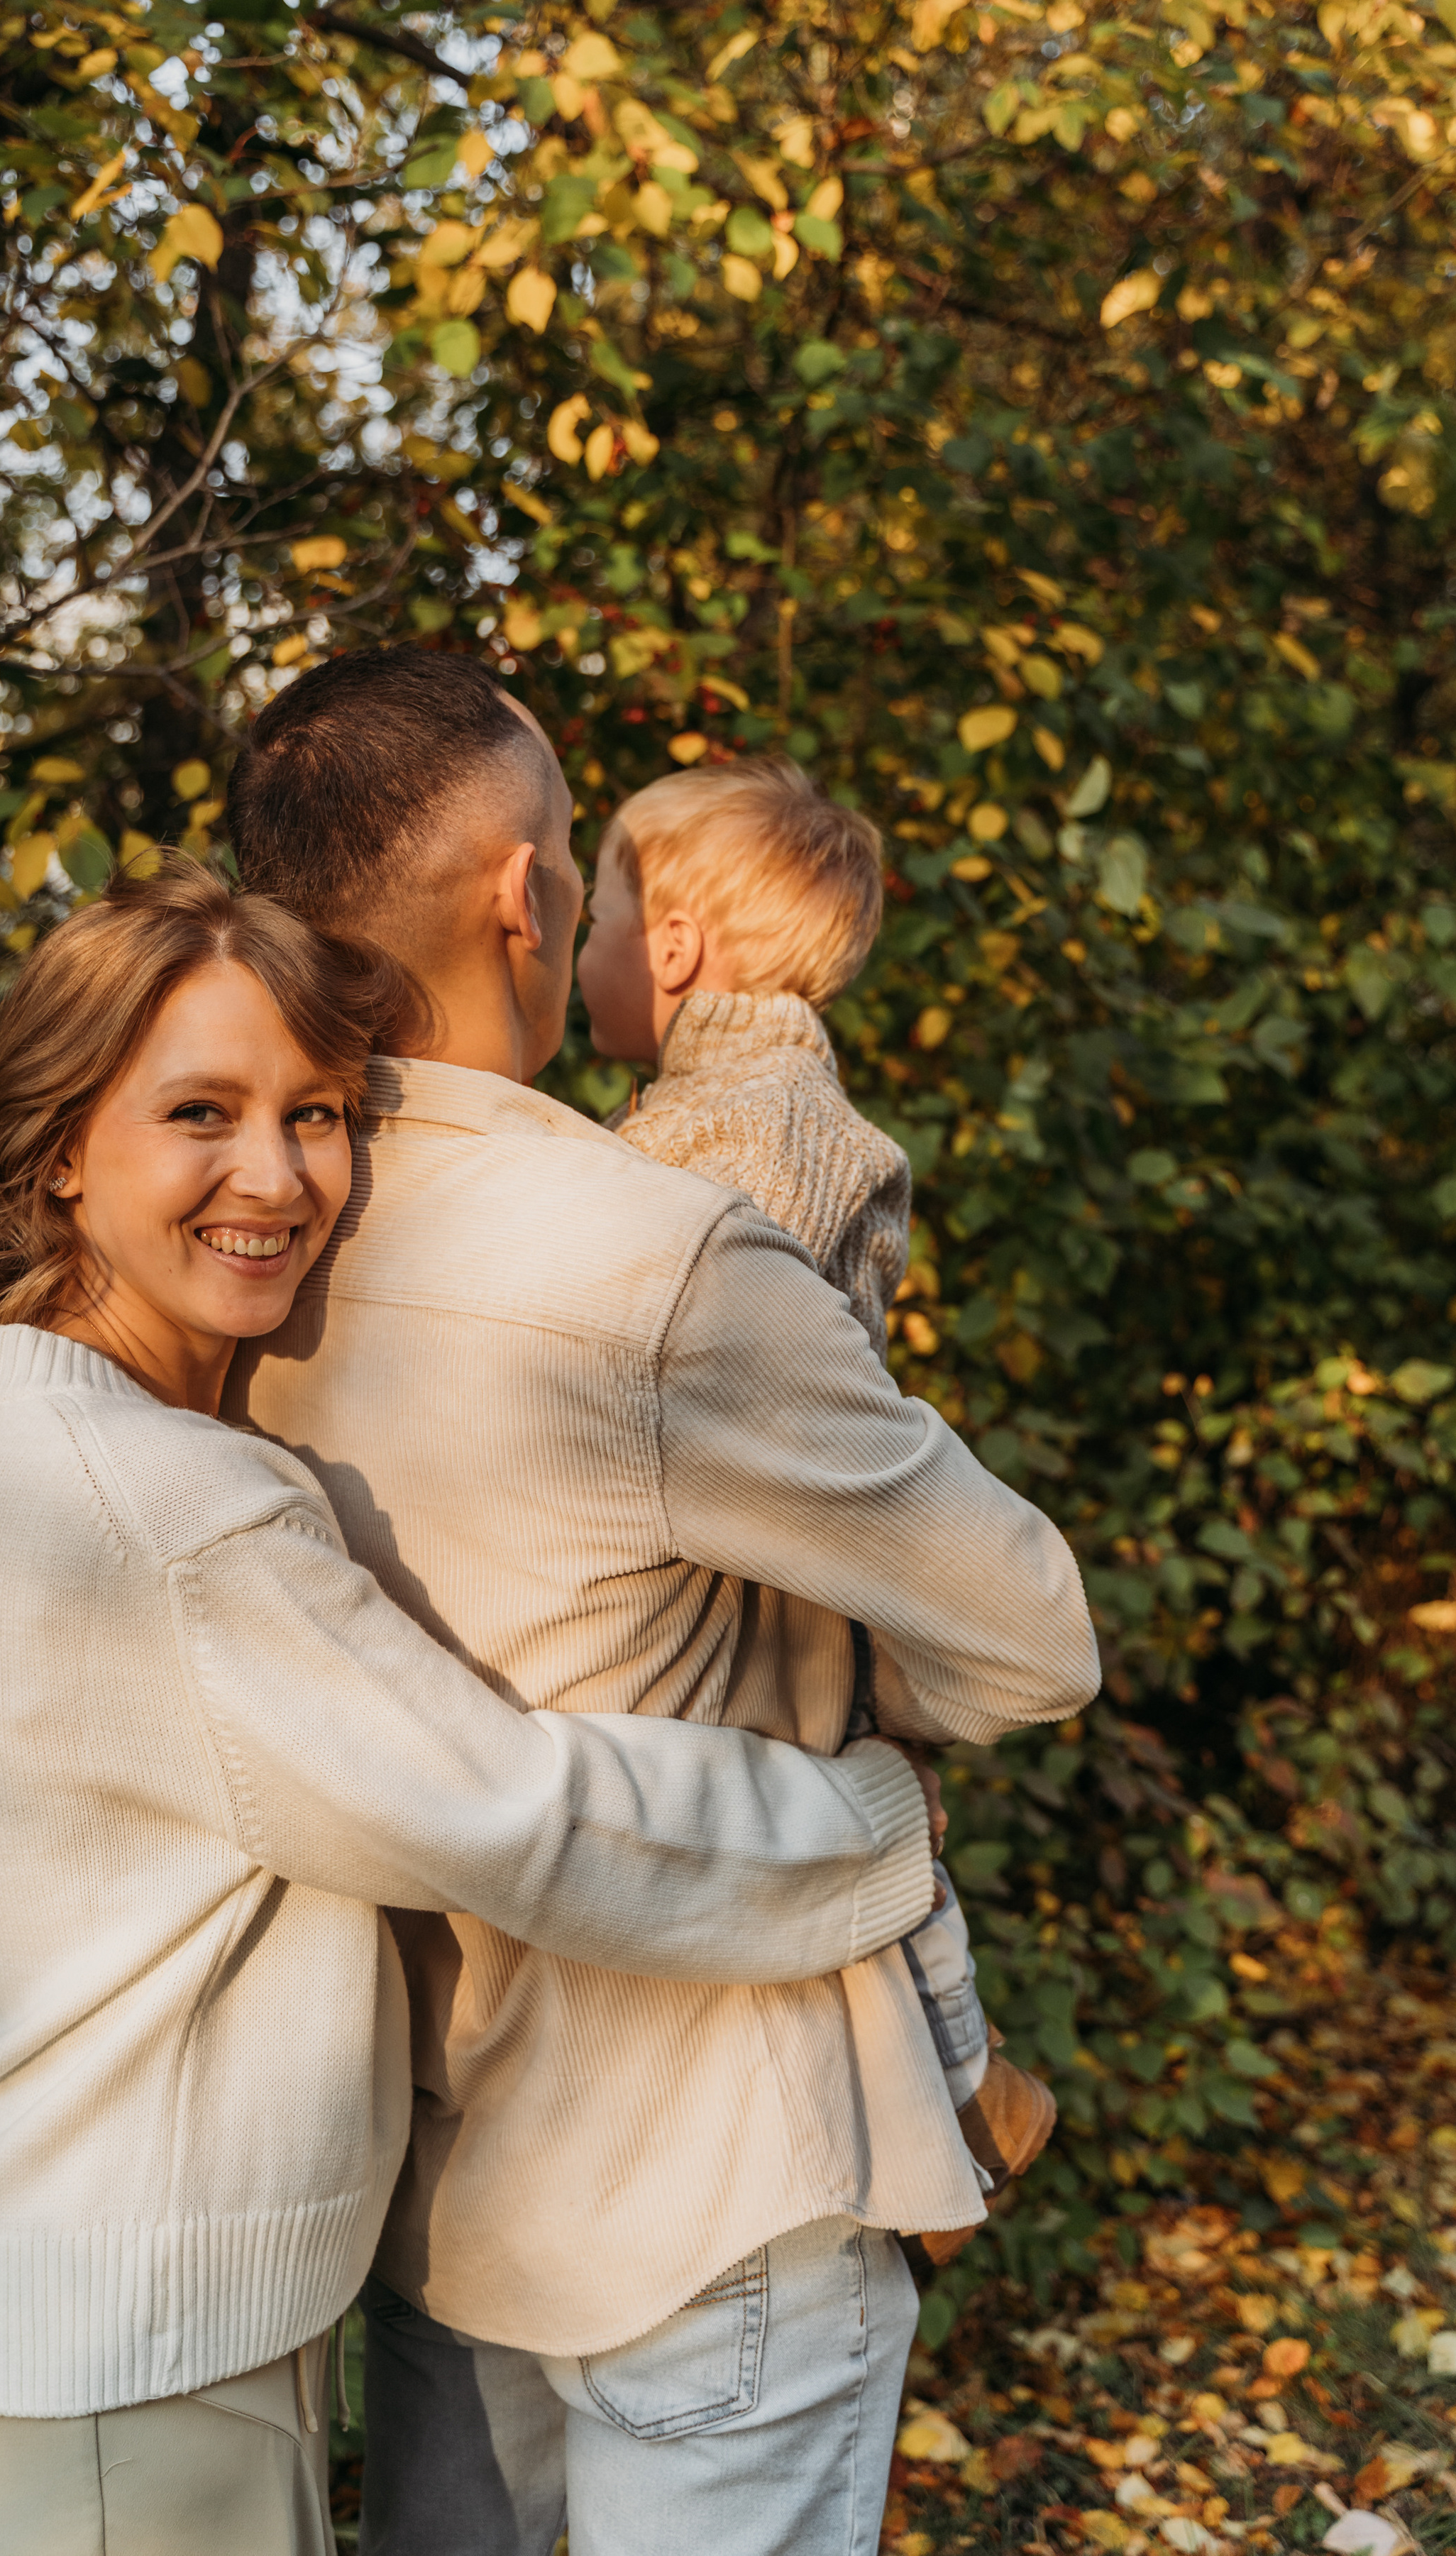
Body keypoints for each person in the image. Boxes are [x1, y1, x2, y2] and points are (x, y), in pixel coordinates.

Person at [0, 857, 959, 2556]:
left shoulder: (48, 1432)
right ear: (59, 1146)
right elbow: (511, 1811)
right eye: (200, 1113)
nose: (277, 1175)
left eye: (313, 1113)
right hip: (118, 2381)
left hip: (130, 2334)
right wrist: (865, 1820)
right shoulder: (162, 1508)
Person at [226, 649, 1102, 2556]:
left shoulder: (227, 1252)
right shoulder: (659, 1259)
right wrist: (860, 1700)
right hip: (709, 2173)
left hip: (436, 2165)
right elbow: (1036, 1636)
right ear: (526, 902)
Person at [579, 754, 1057, 2264]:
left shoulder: (750, 1110)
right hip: (796, 1534)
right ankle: (970, 2089)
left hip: (781, 1550)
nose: (580, 948)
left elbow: (715, 1322)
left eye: (596, 911)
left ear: (666, 946)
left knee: (865, 1812)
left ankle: (966, 2093)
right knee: (877, 1801)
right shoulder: (740, 1092)